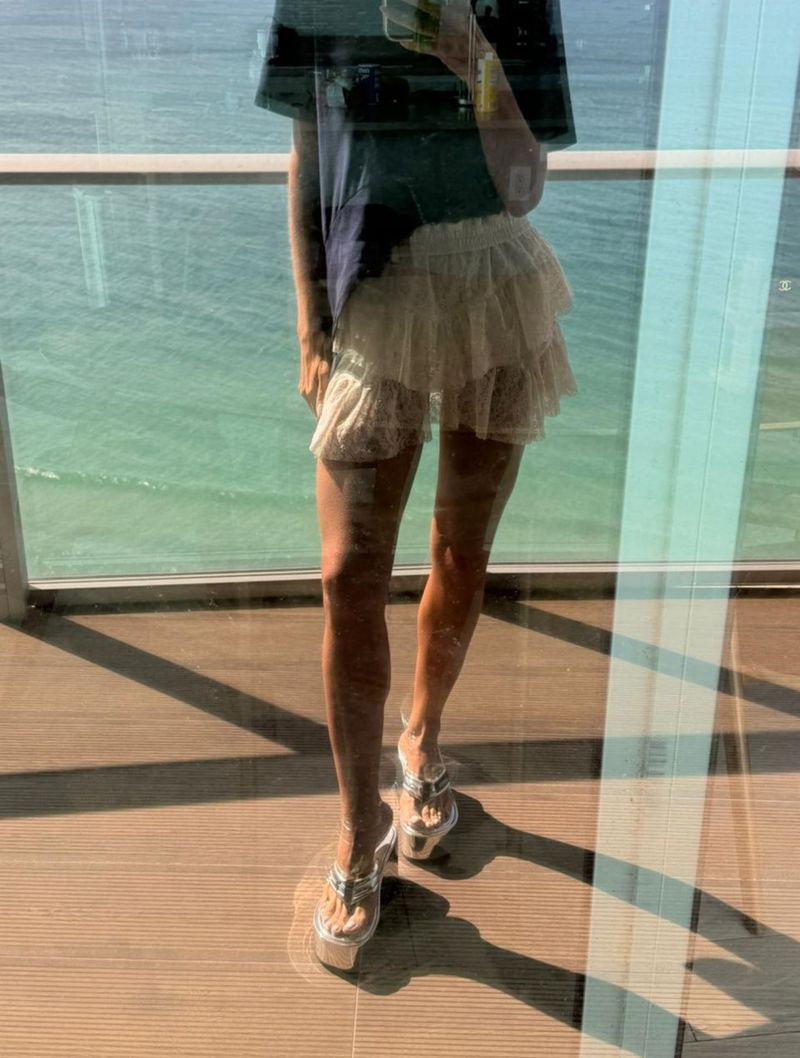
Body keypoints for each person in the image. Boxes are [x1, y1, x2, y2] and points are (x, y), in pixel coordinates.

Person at [256, 0, 577, 969]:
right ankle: (361, 829)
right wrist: (309, 319)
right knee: (348, 574)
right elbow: (305, 152)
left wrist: (473, 54)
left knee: (458, 551)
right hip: (372, 295)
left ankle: (423, 743)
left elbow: (523, 184)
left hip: (492, 284)